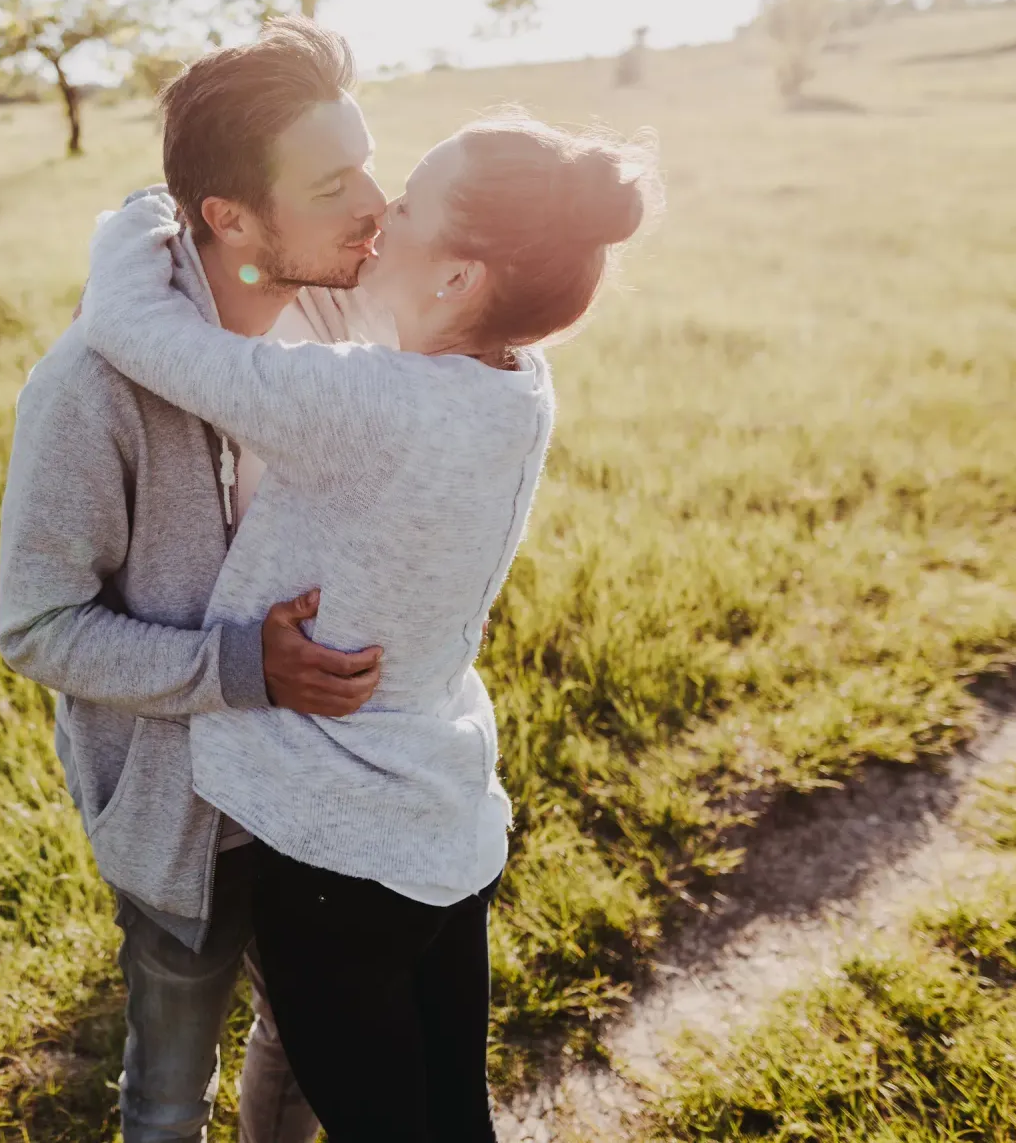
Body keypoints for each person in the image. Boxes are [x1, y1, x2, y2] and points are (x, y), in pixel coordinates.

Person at [77, 111, 658, 1143]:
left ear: (458, 279)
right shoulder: (518, 387)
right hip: (445, 825)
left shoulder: (369, 404)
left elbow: (141, 335)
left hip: (336, 858)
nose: (380, 214)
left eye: (410, 204)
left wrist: (144, 216)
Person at [0, 18, 390, 1142]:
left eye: (367, 159)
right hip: (185, 817)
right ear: (232, 219)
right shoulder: (89, 391)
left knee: (310, 1046)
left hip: (319, 792)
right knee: (169, 1086)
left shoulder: (342, 313)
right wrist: (238, 666)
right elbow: (38, 627)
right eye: (333, 184)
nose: (376, 201)